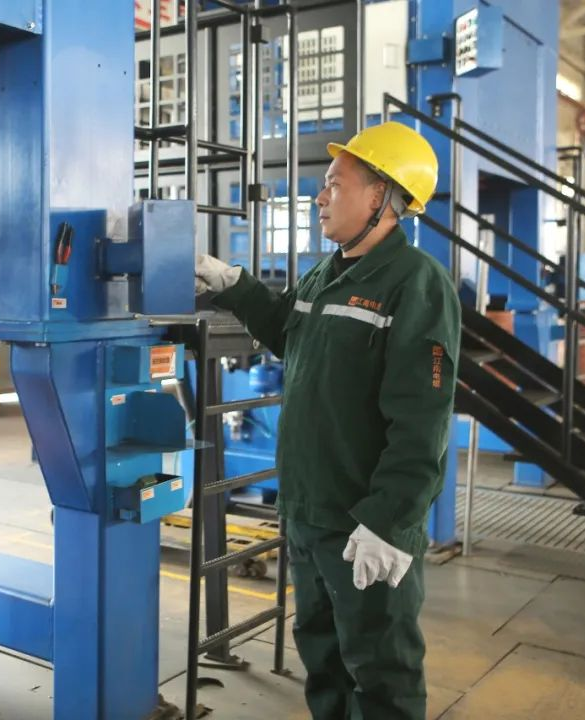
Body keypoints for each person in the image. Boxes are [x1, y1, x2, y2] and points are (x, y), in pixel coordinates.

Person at [195, 121, 461, 720]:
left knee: (381, 669)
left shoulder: (416, 284)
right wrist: (233, 285)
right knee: (323, 658)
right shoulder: (327, 272)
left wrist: (388, 521)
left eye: (335, 184)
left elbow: (422, 421)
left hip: (363, 523)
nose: (320, 196)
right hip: (309, 512)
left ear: (380, 196)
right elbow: (290, 332)